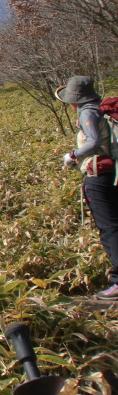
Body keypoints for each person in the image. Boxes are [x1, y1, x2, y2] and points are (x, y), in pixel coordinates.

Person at [55, 76, 118, 300]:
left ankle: (117, 282)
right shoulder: (100, 109)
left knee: (109, 227)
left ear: (75, 99)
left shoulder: (87, 112)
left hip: (98, 174)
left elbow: (93, 142)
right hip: (111, 173)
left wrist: (72, 155)